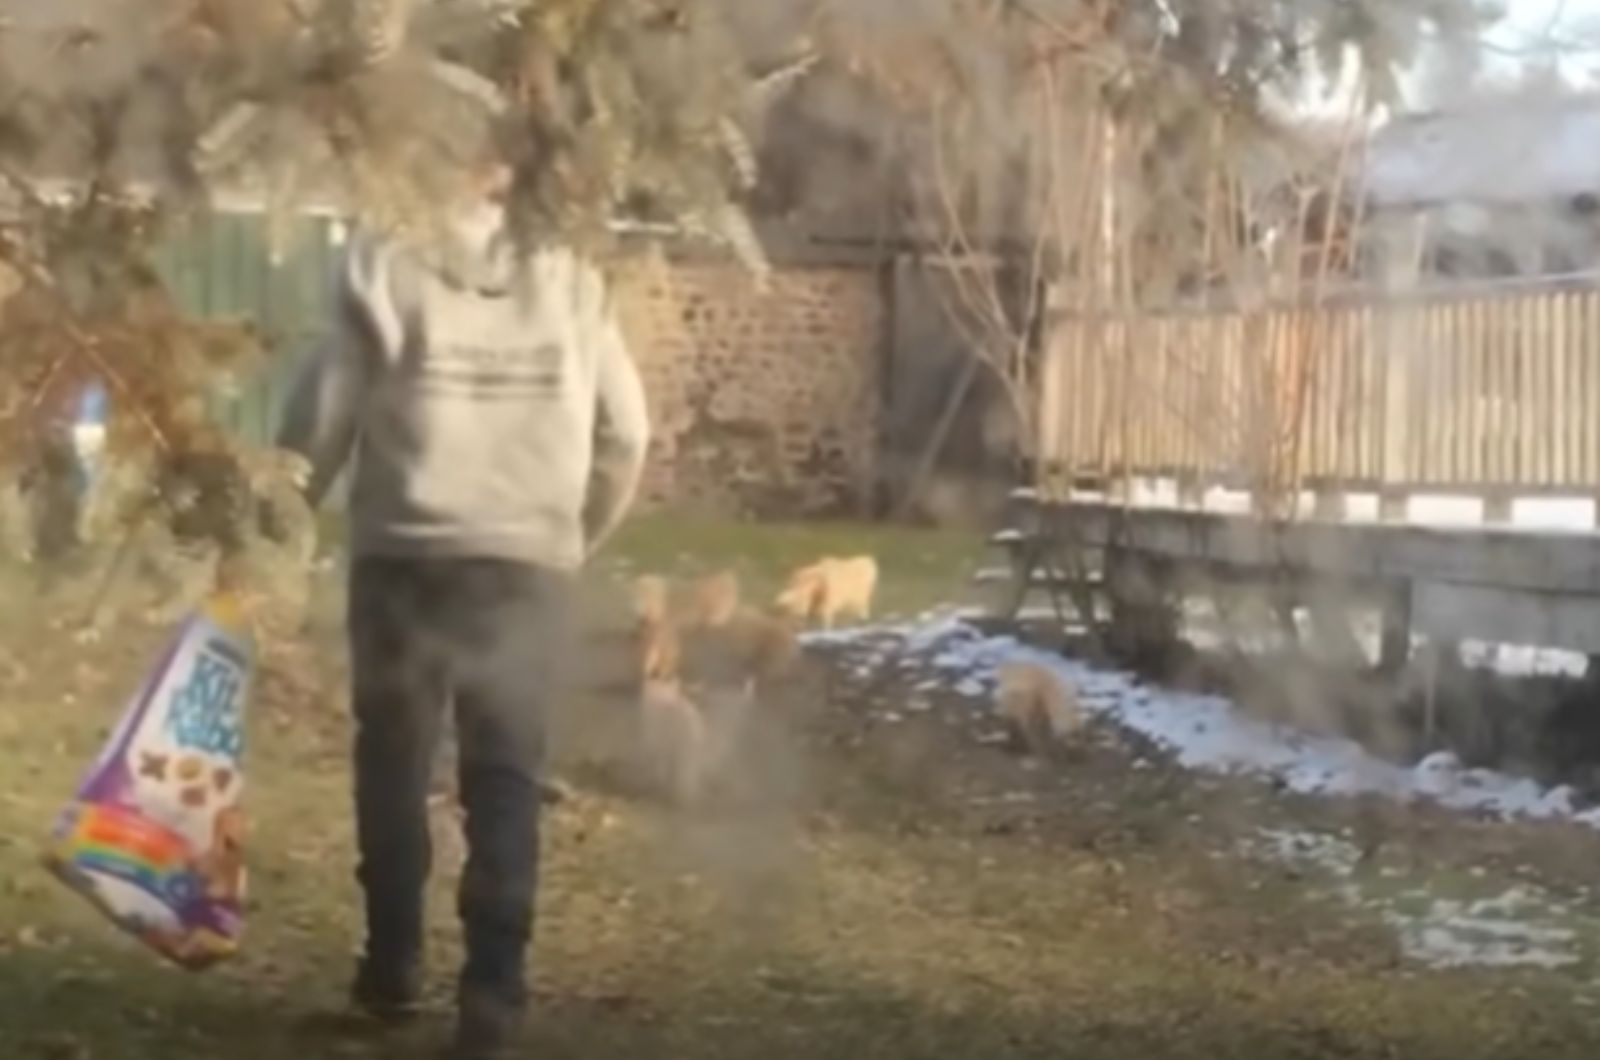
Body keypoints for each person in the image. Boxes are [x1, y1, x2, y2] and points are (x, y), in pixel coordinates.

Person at [275, 160, 650, 1059]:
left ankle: (392, 969)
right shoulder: (573, 271)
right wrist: (569, 538)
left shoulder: (380, 259)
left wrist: (278, 516)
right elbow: (628, 432)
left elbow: (323, 414)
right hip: (525, 564)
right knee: (507, 772)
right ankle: (494, 993)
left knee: (395, 762)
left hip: (403, 557)